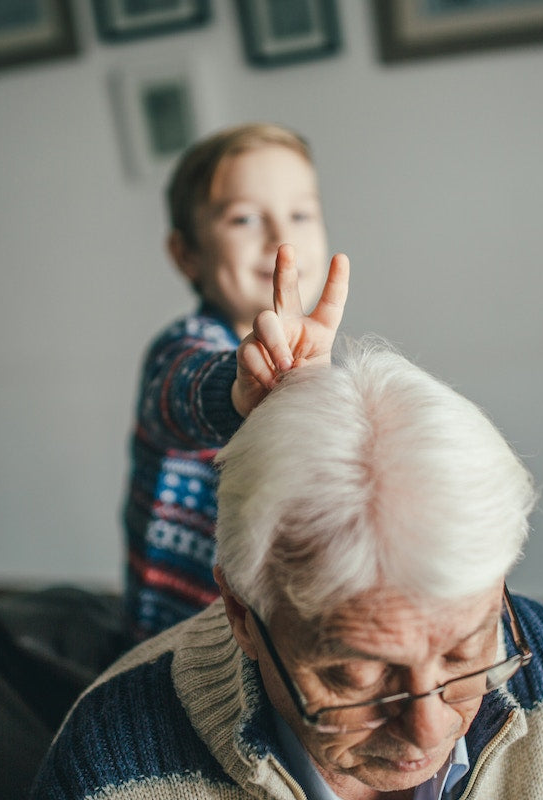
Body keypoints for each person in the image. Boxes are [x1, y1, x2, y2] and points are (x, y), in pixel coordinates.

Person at [31, 339, 543, 800]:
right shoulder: (109, 768)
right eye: (356, 675)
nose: (431, 728)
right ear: (242, 617)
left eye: (466, 653)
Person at [123, 122, 346, 639]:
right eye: (244, 218)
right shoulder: (185, 348)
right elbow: (180, 393)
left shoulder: (316, 358)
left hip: (272, 622)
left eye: (300, 214)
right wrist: (236, 388)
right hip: (180, 633)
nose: (280, 235)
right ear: (187, 254)